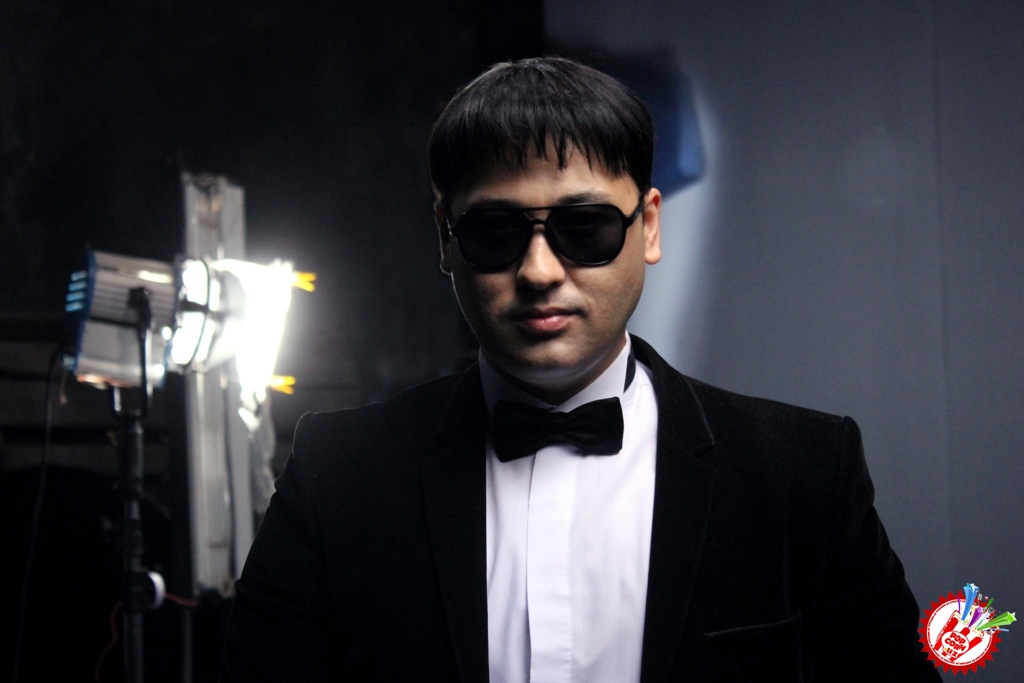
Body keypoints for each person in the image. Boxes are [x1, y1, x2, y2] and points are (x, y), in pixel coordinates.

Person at [223, 57, 939, 682]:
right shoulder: (337, 475)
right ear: (446, 237)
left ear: (649, 225)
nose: (539, 271)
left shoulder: (804, 473)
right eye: (495, 231)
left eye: (584, 227)